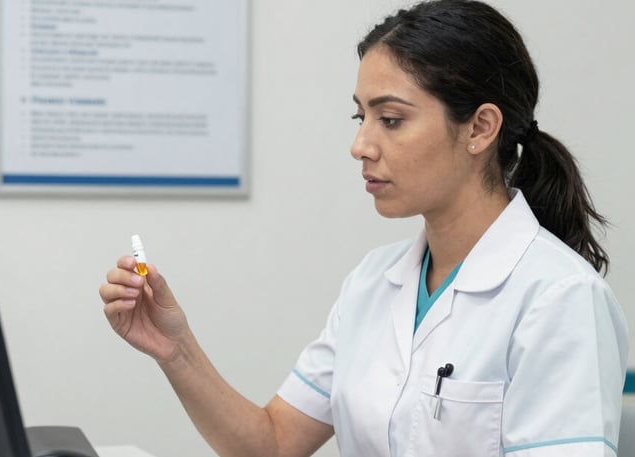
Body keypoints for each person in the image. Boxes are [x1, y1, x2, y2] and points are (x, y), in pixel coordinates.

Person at [99, 1, 629, 455]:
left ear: (480, 127)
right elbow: (275, 442)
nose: (361, 146)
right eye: (362, 118)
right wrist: (176, 349)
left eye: (391, 120)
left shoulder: (559, 299)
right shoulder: (373, 283)